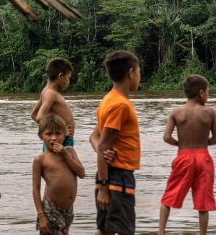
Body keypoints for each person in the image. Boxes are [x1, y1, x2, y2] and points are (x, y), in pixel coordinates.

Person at [158, 74, 216, 235]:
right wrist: (202, 144)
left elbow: (166, 137)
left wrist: (180, 144)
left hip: (183, 156)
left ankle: (161, 232)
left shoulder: (177, 112)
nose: (208, 95)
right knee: (203, 202)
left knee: (169, 196)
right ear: (201, 92)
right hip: (203, 158)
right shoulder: (209, 112)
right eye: (208, 92)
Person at [89, 50, 141, 235]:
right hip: (117, 177)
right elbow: (103, 144)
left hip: (108, 177)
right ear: (131, 72)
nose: (139, 77)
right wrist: (103, 187)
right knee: (125, 230)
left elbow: (94, 137)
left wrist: (100, 150)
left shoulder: (107, 100)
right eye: (139, 72)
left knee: (104, 230)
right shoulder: (121, 105)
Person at [32, 114, 86, 234]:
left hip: (68, 210)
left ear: (64, 134)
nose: (54, 138)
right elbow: (36, 189)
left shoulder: (70, 152)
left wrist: (64, 154)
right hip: (50, 209)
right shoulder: (40, 159)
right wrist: (41, 216)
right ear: (41, 136)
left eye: (58, 133)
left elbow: (81, 173)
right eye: (49, 134)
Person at [31, 57, 75, 147]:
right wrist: (60, 132)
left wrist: (50, 135)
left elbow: (33, 114)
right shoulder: (51, 94)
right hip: (61, 141)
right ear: (61, 76)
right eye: (68, 78)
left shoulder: (46, 91)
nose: (69, 81)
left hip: (57, 140)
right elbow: (39, 117)